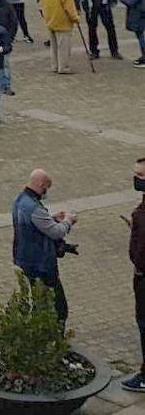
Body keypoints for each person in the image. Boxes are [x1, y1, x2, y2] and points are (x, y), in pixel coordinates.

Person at [11, 168, 74, 323]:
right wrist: (68, 220)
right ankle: (53, 340)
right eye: (46, 187)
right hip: (41, 265)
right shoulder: (33, 208)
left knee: (39, 302)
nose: (46, 192)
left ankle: (39, 332)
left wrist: (51, 218)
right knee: (58, 308)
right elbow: (56, 232)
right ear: (40, 184)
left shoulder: (19, 200)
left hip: (25, 259)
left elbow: (33, 225)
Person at [122, 158, 145, 392]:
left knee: (144, 324)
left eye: (140, 176)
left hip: (143, 279)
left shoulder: (141, 214)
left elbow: (140, 254)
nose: (137, 179)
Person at [39, 0, 80, 75]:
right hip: (63, 23)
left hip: (50, 21)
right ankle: (63, 67)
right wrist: (76, 18)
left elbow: (41, 5)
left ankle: (55, 65)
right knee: (63, 47)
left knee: (54, 46)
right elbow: (70, 8)